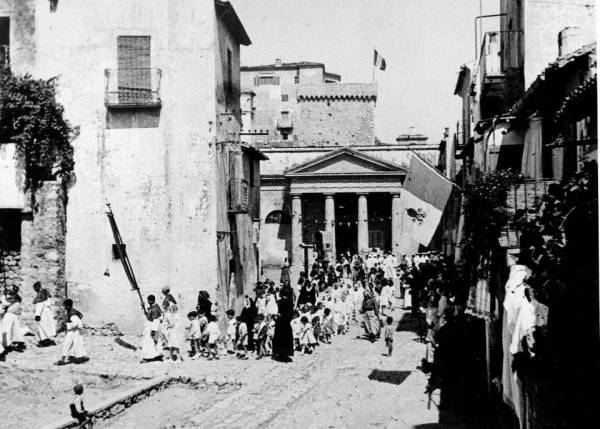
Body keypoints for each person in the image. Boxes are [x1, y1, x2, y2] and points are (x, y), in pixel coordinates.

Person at [56, 299, 88, 365]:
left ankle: (63, 359)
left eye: (65, 306)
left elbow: (77, 323)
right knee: (73, 345)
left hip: (74, 331)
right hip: (72, 331)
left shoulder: (73, 314)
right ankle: (76, 357)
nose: (64, 307)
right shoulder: (69, 311)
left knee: (69, 344)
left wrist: (67, 325)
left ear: (68, 306)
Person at [271, 284, 294, 362]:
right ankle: (285, 354)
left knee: (279, 338)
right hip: (286, 323)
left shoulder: (280, 302)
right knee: (286, 338)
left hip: (280, 323)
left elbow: (277, 312)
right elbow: (290, 314)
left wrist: (278, 316)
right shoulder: (290, 302)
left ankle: (278, 353)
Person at [1, 285, 26, 353]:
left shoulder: (14, 297)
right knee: (13, 329)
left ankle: (7, 345)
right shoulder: (13, 297)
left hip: (10, 315)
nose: (10, 290)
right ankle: (14, 343)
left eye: (12, 289)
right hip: (11, 314)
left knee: (8, 329)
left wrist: (4, 296)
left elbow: (6, 303)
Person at [32, 282, 57, 347]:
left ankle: (45, 341)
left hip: (42, 313)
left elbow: (40, 304)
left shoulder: (41, 294)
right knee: (47, 325)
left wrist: (37, 314)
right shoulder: (45, 292)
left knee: (42, 326)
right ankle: (48, 340)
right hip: (47, 311)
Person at [140, 295, 163, 363]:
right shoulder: (153, 307)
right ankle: (157, 355)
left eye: (148, 300)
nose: (148, 302)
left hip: (152, 327)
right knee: (155, 342)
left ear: (151, 300)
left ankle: (147, 358)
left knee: (148, 342)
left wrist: (154, 331)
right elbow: (148, 315)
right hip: (152, 327)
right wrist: (143, 307)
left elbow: (155, 320)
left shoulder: (155, 309)